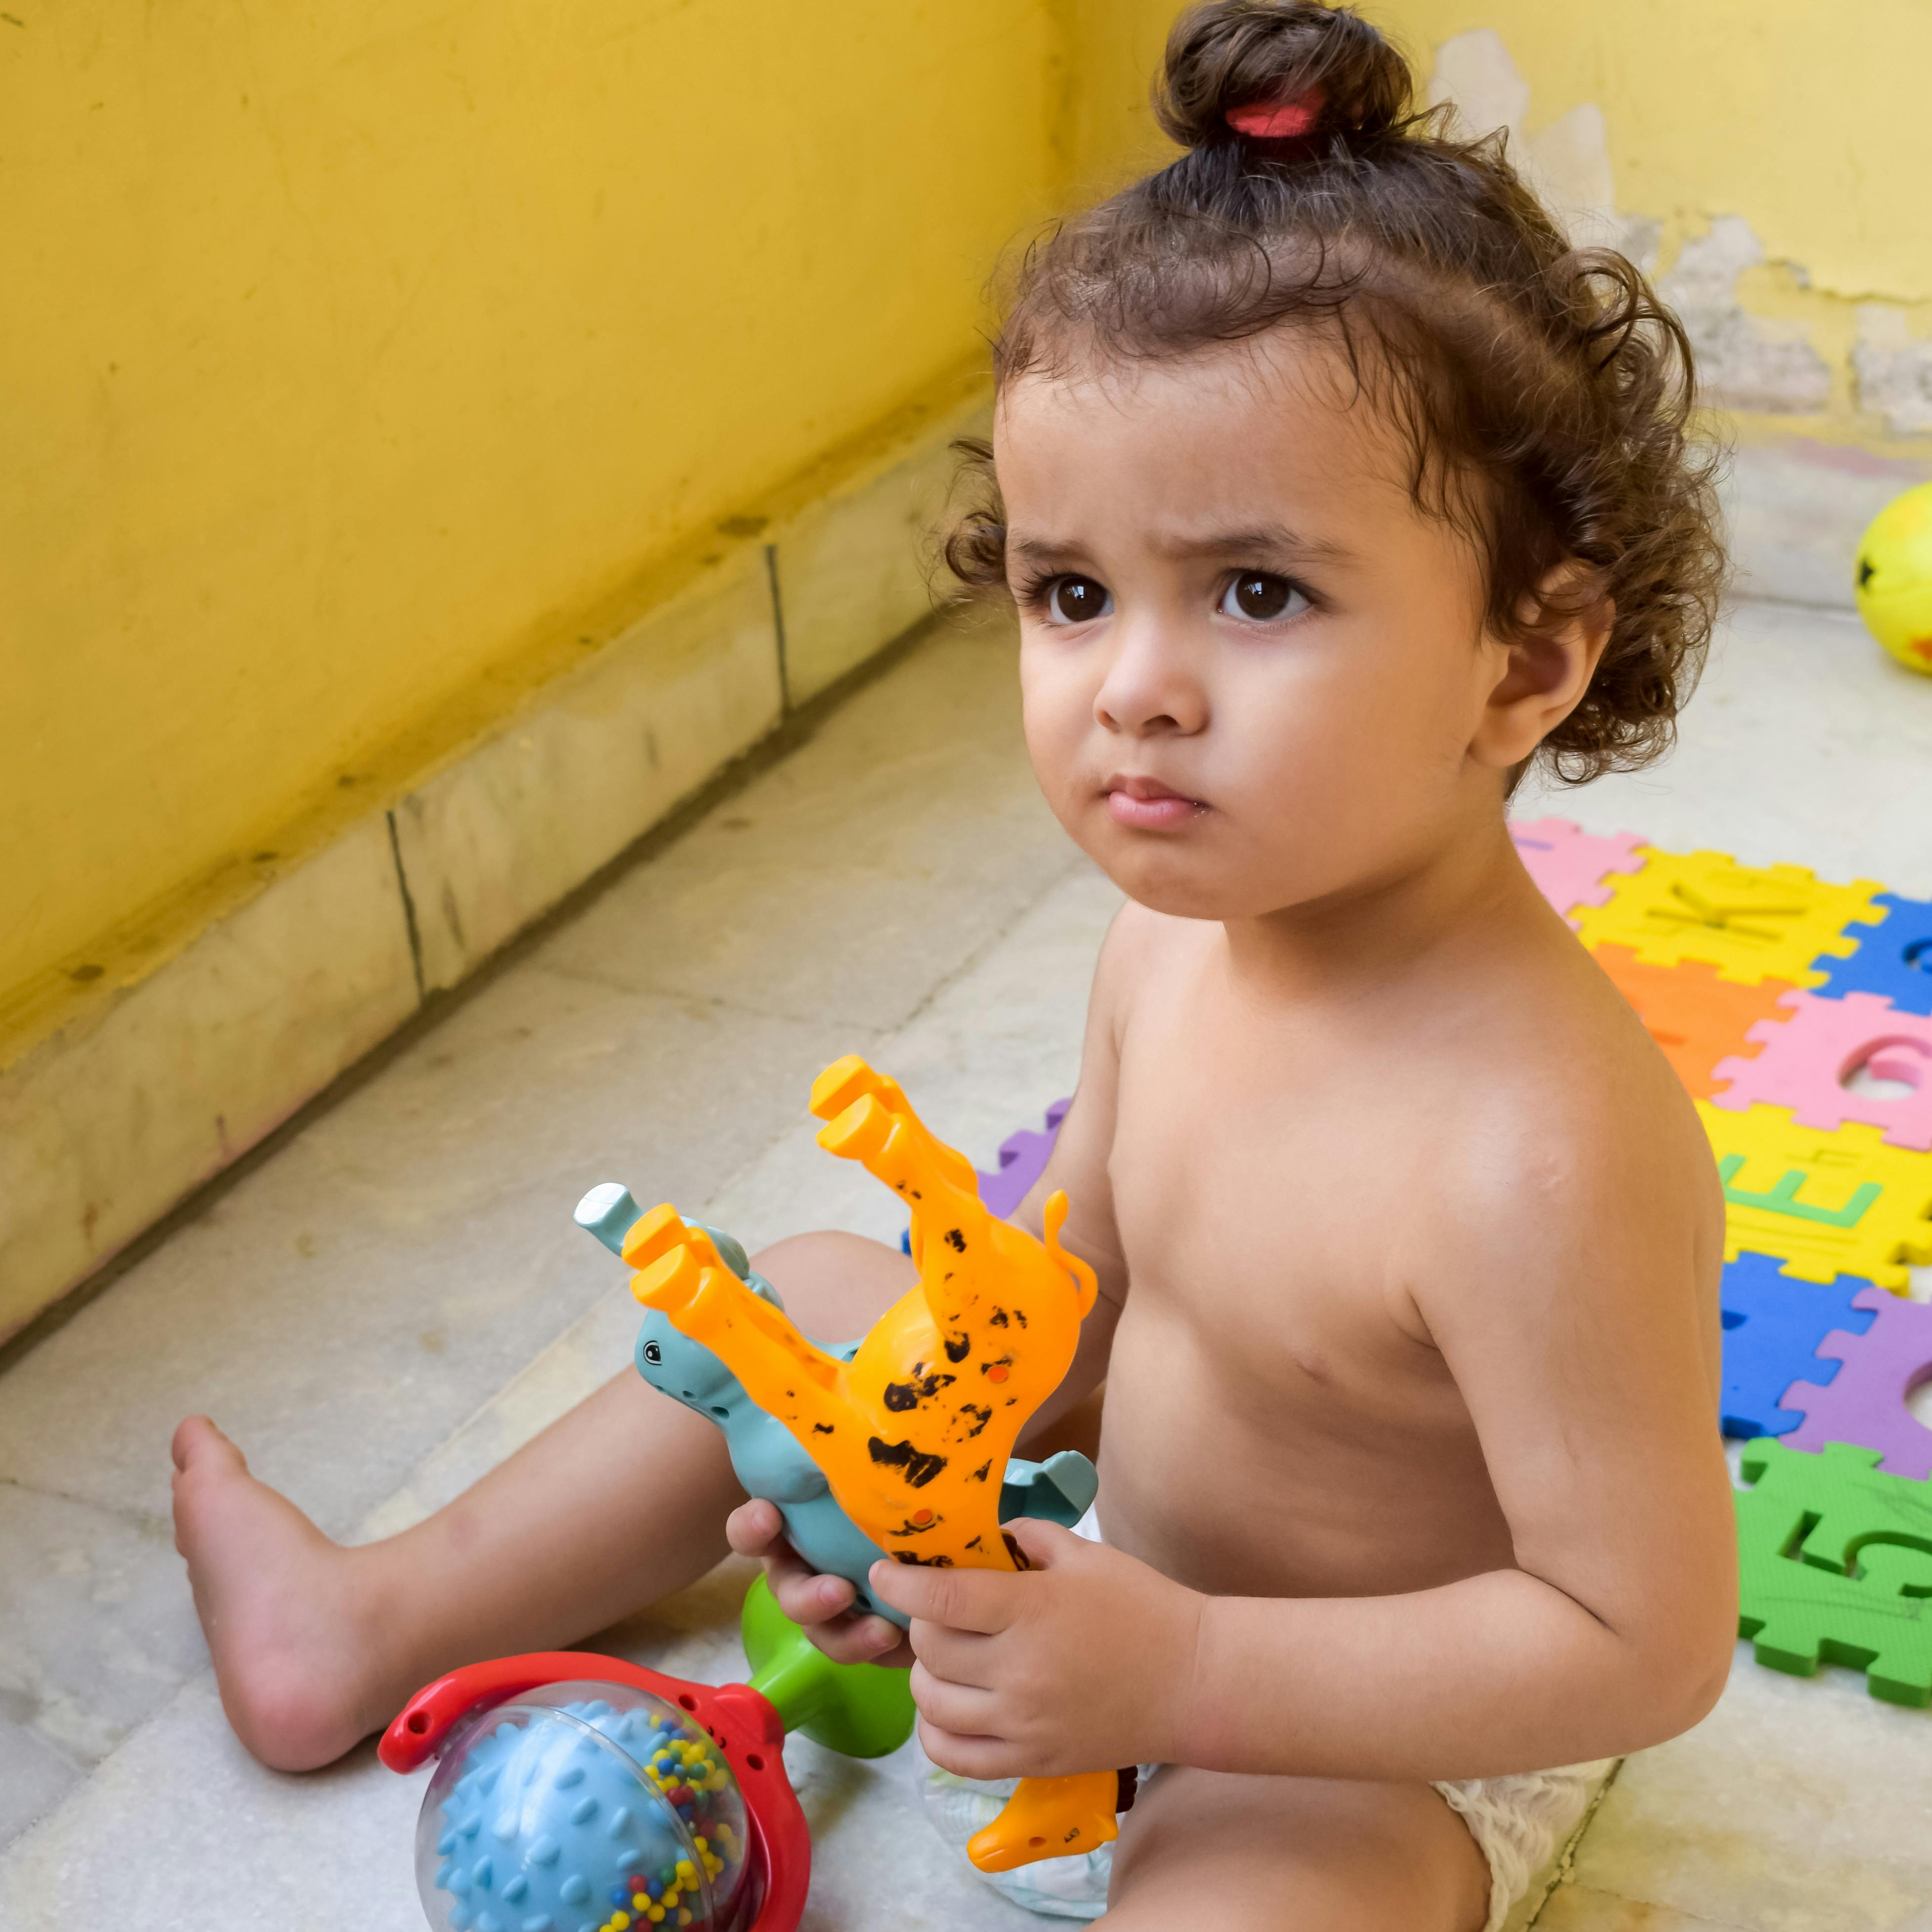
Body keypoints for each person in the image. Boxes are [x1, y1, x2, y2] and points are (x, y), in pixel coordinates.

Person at [171, 4, 1738, 1926]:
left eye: (1257, 592)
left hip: (1355, 1731)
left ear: (1526, 659)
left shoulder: (1541, 1153)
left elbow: (1636, 1644)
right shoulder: (1170, 952)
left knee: (1281, 1889)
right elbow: (1066, 1295)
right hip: (1086, 1594)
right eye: (1073, 591)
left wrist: (1188, 1675)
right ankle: (373, 1615)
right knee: (814, 1293)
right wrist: (909, 1468)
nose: (1132, 688)